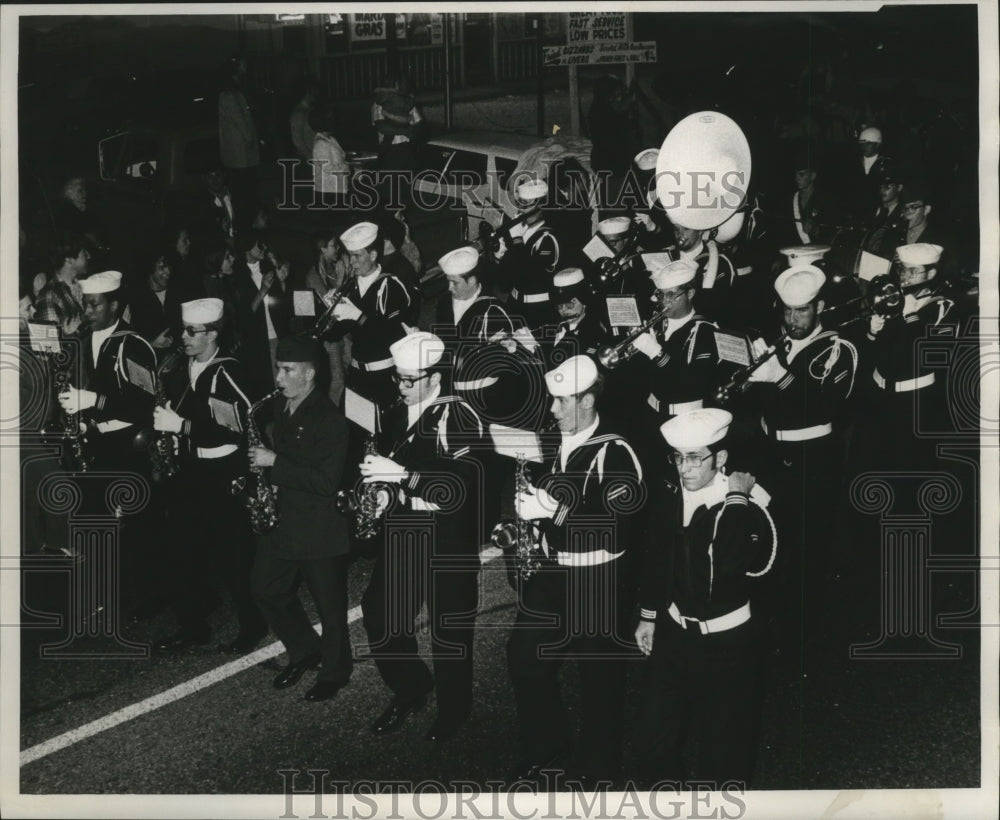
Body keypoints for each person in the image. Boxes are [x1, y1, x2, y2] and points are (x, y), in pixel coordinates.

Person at [506, 355, 644, 787]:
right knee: (523, 658)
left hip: (596, 580)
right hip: (550, 574)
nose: (552, 409)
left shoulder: (616, 450)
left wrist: (554, 510)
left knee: (598, 678)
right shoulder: (552, 441)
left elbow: (619, 522)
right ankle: (547, 742)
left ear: (586, 399)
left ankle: (598, 767)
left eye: (562, 401)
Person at [634, 408, 776, 788]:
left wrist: (735, 499)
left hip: (728, 645)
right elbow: (658, 556)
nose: (684, 467)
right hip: (675, 634)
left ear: (722, 458)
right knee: (652, 742)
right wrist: (648, 616)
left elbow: (726, 568)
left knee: (724, 755)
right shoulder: (671, 493)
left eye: (695, 457)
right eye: (678, 457)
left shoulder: (750, 504)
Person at [359, 331, 486, 741]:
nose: (400, 387)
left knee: (449, 631)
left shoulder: (461, 415)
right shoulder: (397, 411)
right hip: (405, 527)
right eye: (398, 378)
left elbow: (463, 487)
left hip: (447, 535)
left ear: (435, 378)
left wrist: (406, 477)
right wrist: (381, 492)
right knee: (380, 613)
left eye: (409, 380)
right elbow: (388, 464)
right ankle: (411, 686)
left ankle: (454, 710)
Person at [744, 265, 858, 653]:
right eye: (788, 312)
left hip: (813, 456)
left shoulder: (839, 348)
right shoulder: (779, 343)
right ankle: (771, 617)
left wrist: (780, 377)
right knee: (771, 537)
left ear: (820, 307)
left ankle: (802, 633)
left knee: (807, 545)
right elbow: (764, 404)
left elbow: (824, 405)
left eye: (803, 311)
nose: (793, 320)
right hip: (772, 451)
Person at [151, 298, 268, 652]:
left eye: (191, 331)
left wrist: (182, 425)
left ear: (213, 334)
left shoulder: (228, 371)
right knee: (180, 551)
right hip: (191, 471)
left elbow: (242, 427)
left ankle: (253, 624)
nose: (183, 337)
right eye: (182, 330)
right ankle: (192, 626)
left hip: (223, 473)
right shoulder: (181, 368)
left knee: (234, 557)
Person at [250, 335, 352, 702]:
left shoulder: (331, 420)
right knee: (266, 588)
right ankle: (305, 649)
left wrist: (274, 463)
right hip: (285, 518)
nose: (278, 378)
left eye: (287, 370)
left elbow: (326, 482)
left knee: (331, 607)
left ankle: (336, 672)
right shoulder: (284, 405)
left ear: (309, 374)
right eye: (279, 368)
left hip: (320, 527)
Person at [328, 221, 412, 414]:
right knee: (353, 431)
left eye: (357, 256)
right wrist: (327, 311)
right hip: (356, 375)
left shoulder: (391, 286)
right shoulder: (351, 288)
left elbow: (392, 336)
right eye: (350, 256)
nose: (352, 263)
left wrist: (358, 316)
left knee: (381, 435)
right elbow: (333, 335)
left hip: (382, 377)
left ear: (373, 255)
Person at [494, 179, 561, 332]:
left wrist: (516, 242)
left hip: (537, 310)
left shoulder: (548, 237)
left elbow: (529, 275)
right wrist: (499, 255)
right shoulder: (521, 228)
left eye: (528, 204)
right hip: (513, 303)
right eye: (520, 204)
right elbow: (505, 280)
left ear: (542, 206)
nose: (522, 210)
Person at [232, 232, 291, 402]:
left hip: (277, 334)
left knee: (284, 382)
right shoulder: (237, 274)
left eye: (264, 244)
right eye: (259, 245)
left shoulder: (267, 267)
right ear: (247, 246)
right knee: (270, 386)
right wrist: (263, 290)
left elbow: (281, 304)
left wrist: (282, 282)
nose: (263, 248)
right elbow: (244, 314)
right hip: (258, 340)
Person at [304, 230, 351, 406]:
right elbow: (328, 308)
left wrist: (347, 274)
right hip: (329, 338)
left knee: (347, 373)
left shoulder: (332, 268)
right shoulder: (313, 276)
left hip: (343, 331)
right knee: (337, 379)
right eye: (333, 245)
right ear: (323, 249)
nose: (337, 249)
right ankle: (329, 415)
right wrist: (340, 281)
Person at [218, 55, 262, 243]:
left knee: (247, 195)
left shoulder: (237, 92)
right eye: (243, 66)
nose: (247, 70)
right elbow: (241, 122)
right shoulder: (229, 94)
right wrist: (252, 139)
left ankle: (247, 230)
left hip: (244, 155)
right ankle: (243, 233)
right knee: (244, 196)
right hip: (240, 156)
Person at [544, 267, 610, 369]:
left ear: (584, 302)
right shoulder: (551, 325)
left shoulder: (594, 332)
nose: (564, 310)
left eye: (570, 304)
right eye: (559, 306)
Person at [126, 250, 186, 354]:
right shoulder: (133, 298)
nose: (168, 271)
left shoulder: (179, 293)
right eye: (162, 267)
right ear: (150, 267)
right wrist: (151, 344)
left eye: (169, 266)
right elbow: (125, 340)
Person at [35, 234, 88, 331]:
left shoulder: (83, 284)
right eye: (84, 253)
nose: (89, 256)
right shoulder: (49, 296)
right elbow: (50, 342)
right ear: (69, 260)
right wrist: (69, 336)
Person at [863, 164, 907, 261]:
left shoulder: (905, 214)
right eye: (881, 186)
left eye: (888, 186)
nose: (882, 190)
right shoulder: (873, 211)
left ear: (899, 188)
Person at [311, 103, 351, 211]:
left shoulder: (331, 139)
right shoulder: (320, 144)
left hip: (336, 188)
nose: (335, 120)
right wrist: (346, 167)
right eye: (332, 117)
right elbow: (327, 167)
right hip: (328, 191)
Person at [289, 76, 320, 162]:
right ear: (309, 91)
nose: (317, 92)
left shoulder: (309, 110)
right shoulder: (299, 113)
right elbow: (297, 141)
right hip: (307, 160)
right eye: (315, 89)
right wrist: (311, 157)